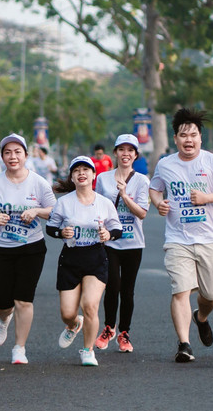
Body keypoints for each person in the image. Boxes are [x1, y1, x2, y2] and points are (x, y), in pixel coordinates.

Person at [148, 108, 213, 363]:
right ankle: (184, 344)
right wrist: (158, 203)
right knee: (180, 290)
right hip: (177, 239)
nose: (188, 140)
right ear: (175, 139)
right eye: (183, 135)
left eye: (193, 135)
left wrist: (207, 197)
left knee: (210, 296)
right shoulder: (166, 164)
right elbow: (154, 189)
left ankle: (201, 316)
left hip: (208, 239)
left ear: (201, 138)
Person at [0, 134, 56, 365]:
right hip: (1, 248)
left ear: (25, 155)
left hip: (31, 248)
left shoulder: (39, 182)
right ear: (2, 156)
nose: (13, 157)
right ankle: (3, 319)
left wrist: (37, 211)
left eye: (17, 152)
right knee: (2, 302)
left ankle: (19, 348)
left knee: (24, 299)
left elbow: (54, 210)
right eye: (8, 152)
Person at [45, 156, 122, 366]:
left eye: (86, 170)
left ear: (93, 175)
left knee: (90, 305)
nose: (82, 173)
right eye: (77, 170)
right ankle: (73, 325)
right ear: (72, 176)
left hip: (96, 257)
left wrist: (108, 235)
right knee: (68, 312)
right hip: (71, 258)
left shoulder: (104, 203)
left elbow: (117, 228)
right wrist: (62, 232)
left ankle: (88, 350)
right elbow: (50, 227)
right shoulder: (64, 202)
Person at [93, 134, 150, 353]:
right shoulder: (103, 178)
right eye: (121, 150)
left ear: (135, 155)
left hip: (133, 243)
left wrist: (125, 196)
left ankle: (124, 333)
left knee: (127, 290)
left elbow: (142, 213)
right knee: (112, 286)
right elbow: (96, 206)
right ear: (115, 153)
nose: (125, 154)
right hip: (110, 241)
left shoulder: (142, 180)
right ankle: (109, 327)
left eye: (130, 150)